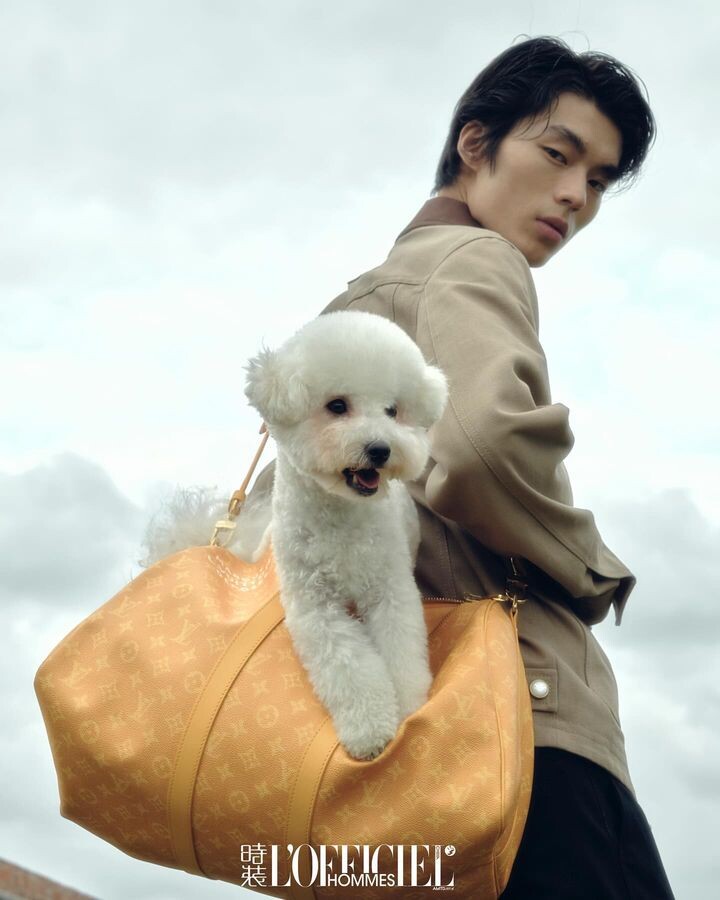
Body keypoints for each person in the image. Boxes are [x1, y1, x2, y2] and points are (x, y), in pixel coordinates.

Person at [248, 34, 674, 898]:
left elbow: (278, 521)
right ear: (475, 143)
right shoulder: (476, 259)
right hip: (516, 724)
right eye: (558, 155)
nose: (576, 196)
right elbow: (482, 451)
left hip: (373, 756)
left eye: (598, 180)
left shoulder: (348, 311)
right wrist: (590, 569)